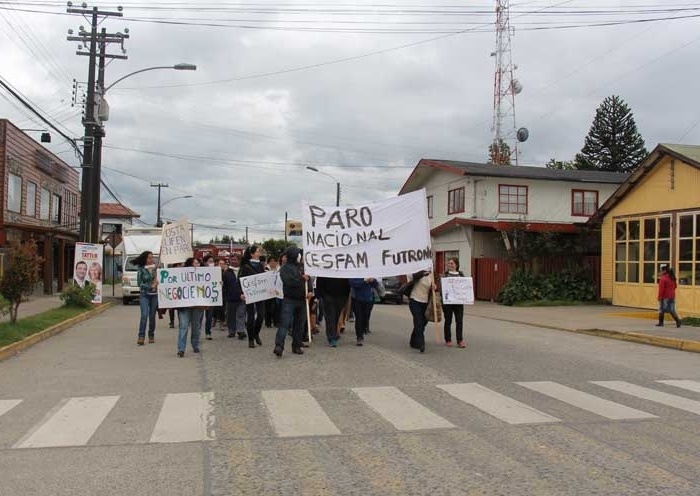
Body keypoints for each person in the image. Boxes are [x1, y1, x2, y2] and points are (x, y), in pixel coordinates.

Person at [273, 247, 312, 357]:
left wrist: (310, 291)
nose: (300, 256)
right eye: (298, 254)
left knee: (299, 324)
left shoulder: (302, 267)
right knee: (285, 323)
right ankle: (279, 346)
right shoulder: (285, 268)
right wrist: (301, 279)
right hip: (289, 299)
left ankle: (296, 345)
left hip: (302, 300)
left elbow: (308, 280)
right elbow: (289, 282)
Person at [177, 257, 204, 357]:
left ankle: (195, 344)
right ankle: (181, 349)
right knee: (183, 326)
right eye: (196, 263)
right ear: (190, 265)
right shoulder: (182, 275)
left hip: (197, 305)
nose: (198, 265)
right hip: (184, 306)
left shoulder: (202, 275)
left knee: (196, 327)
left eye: (198, 263)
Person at [240, 245, 266, 348]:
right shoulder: (245, 266)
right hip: (249, 294)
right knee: (250, 317)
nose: (259, 253)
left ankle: (256, 333)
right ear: (252, 254)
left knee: (261, 315)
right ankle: (251, 339)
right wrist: (241, 293)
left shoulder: (260, 265)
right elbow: (240, 280)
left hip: (260, 294)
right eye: (257, 252)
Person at [316, 276, 350, 347]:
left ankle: (334, 333)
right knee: (330, 317)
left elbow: (347, 280)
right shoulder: (325, 268)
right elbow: (319, 281)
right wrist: (321, 295)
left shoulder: (343, 268)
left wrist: (346, 294)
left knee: (336, 316)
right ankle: (331, 337)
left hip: (341, 295)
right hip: (327, 296)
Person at [133, 251, 158, 346]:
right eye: (149, 258)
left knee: (152, 316)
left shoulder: (156, 268)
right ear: (145, 259)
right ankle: (141, 336)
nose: (151, 259)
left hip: (154, 295)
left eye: (152, 257)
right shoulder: (141, 269)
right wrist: (150, 286)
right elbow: (139, 283)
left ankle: (151, 334)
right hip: (144, 295)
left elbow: (162, 279)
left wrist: (157, 281)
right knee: (144, 315)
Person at [441, 258, 466, 348]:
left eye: (452, 263)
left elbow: (465, 287)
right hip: (448, 303)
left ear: (456, 265)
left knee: (459, 321)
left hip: (458, 302)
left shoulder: (461, 275)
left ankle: (460, 340)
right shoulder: (445, 275)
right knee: (448, 321)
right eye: (449, 263)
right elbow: (442, 288)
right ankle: (448, 340)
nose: (450, 265)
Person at [349, 277, 379, 347]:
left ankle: (363, 330)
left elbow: (376, 285)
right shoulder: (355, 273)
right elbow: (352, 283)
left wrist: (373, 280)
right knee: (359, 318)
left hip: (368, 299)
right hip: (356, 299)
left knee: (366, 318)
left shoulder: (369, 272)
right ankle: (359, 337)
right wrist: (364, 281)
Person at [408, 270, 433, 353]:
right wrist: (421, 274)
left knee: (423, 322)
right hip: (415, 300)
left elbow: (435, 288)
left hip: (426, 302)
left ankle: (413, 339)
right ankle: (421, 343)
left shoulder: (432, 274)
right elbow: (412, 277)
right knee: (418, 321)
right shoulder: (416, 271)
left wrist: (435, 287)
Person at [222, 253, 246, 339]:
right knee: (230, 315)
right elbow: (224, 285)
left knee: (241, 314)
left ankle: (241, 331)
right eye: (232, 260)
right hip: (230, 297)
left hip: (242, 297)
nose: (233, 261)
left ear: (239, 261)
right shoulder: (226, 272)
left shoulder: (243, 271)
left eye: (235, 259)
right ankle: (231, 331)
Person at [202, 255, 216, 340]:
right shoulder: (199, 271)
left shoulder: (216, 272)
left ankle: (208, 332)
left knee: (209, 316)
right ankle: (197, 331)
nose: (211, 263)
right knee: (199, 317)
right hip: (200, 296)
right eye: (210, 261)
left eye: (212, 261)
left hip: (210, 296)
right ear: (205, 262)